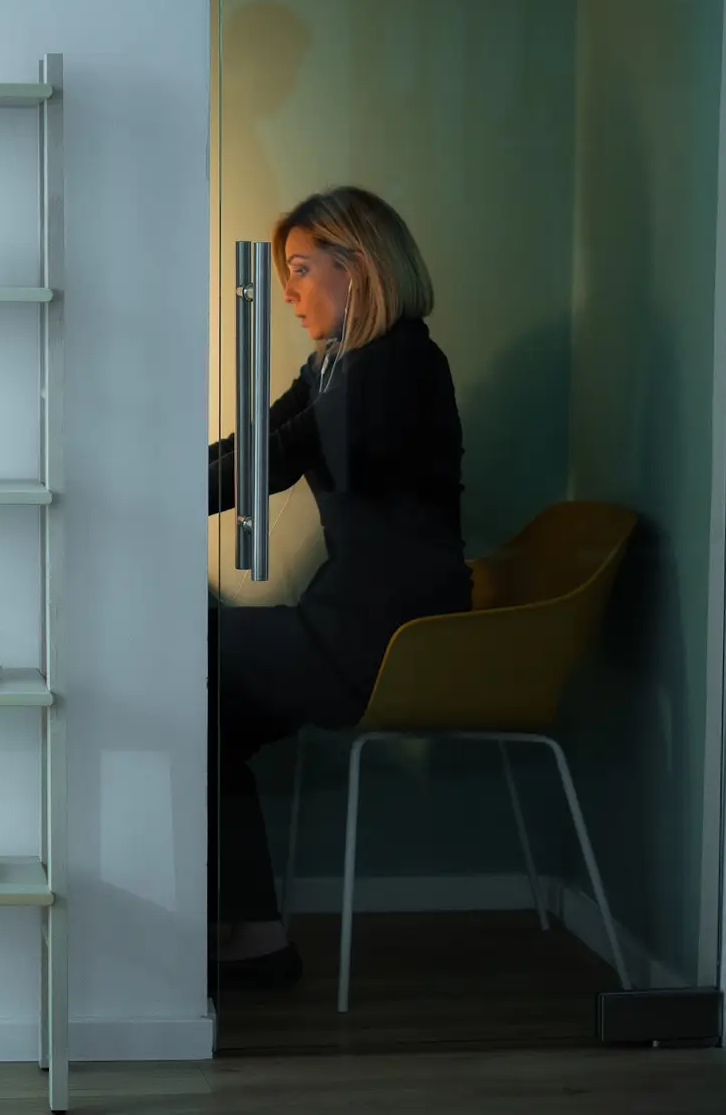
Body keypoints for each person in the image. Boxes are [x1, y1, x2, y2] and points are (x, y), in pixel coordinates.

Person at [208, 186, 471, 987]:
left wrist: (153, 492)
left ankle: (246, 937)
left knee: (189, 663)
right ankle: (249, 939)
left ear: (358, 268)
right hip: (354, 613)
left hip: (391, 630)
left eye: (299, 269)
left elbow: (277, 458)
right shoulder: (334, 365)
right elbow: (252, 443)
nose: (287, 291)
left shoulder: (401, 363)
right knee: (201, 709)